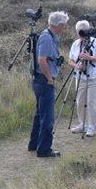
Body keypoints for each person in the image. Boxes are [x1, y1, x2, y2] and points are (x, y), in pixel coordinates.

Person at [28, 11, 69, 157]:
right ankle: (44, 149)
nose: (64, 28)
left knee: (40, 113)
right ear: (58, 25)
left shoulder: (50, 36)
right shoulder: (46, 37)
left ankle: (34, 144)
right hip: (44, 80)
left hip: (40, 79)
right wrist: (49, 77)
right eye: (63, 26)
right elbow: (42, 60)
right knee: (47, 116)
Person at [67, 20, 96, 137]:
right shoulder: (76, 44)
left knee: (92, 102)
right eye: (79, 32)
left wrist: (89, 57)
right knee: (80, 101)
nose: (80, 34)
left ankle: (91, 126)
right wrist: (77, 65)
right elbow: (70, 60)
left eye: (82, 31)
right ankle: (82, 123)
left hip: (93, 76)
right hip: (80, 76)